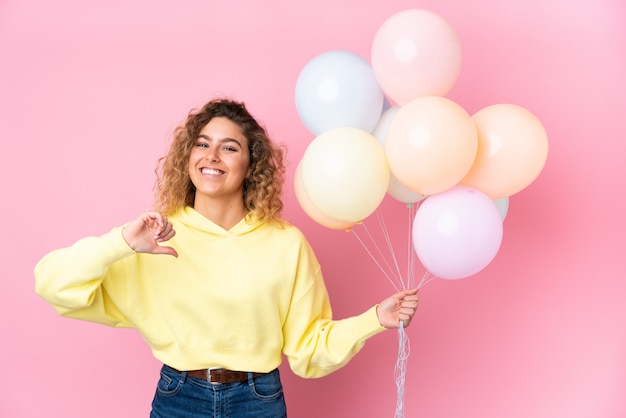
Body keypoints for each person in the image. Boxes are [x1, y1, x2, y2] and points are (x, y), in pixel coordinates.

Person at [34, 98, 419, 418]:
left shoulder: (285, 244)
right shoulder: (150, 238)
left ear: (251, 164)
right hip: (179, 399)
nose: (212, 155)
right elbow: (52, 284)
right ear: (188, 157)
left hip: (259, 400)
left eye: (229, 147)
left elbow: (309, 351)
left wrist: (374, 320)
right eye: (202, 144)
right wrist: (120, 243)